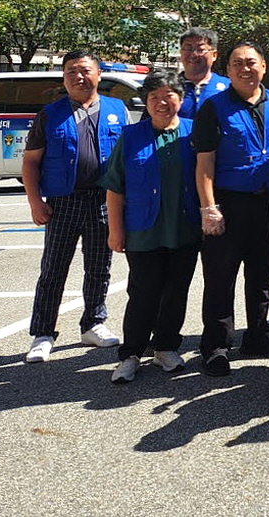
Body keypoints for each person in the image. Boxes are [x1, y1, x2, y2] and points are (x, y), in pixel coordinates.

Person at [22, 50, 129, 363]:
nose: (79, 77)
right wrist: (34, 202)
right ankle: (43, 333)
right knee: (53, 270)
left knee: (99, 269)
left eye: (85, 71)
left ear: (98, 75)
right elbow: (30, 162)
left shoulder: (116, 109)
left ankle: (93, 324)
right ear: (64, 77)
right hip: (62, 203)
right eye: (71, 72)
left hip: (103, 202)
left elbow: (124, 160)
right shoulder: (50, 114)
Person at [192, 41, 269, 376]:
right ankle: (216, 346)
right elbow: (204, 163)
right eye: (237, 63)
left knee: (262, 274)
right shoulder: (214, 107)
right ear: (228, 69)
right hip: (229, 203)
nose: (245, 68)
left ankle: (257, 336)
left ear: (263, 66)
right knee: (221, 277)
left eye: (251, 62)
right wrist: (209, 208)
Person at [103, 69, 200, 383]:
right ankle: (131, 353)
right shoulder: (131, 136)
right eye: (154, 97)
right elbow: (115, 188)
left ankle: (166, 347)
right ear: (146, 102)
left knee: (176, 291)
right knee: (143, 293)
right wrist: (115, 230)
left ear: (181, 99)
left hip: (183, 227)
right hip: (143, 230)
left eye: (169, 96)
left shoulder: (193, 133)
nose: (162, 103)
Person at [177, 27, 230, 121]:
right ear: (181, 53)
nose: (193, 55)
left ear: (214, 55)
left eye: (200, 50)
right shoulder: (168, 87)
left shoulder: (229, 88)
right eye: (188, 49)